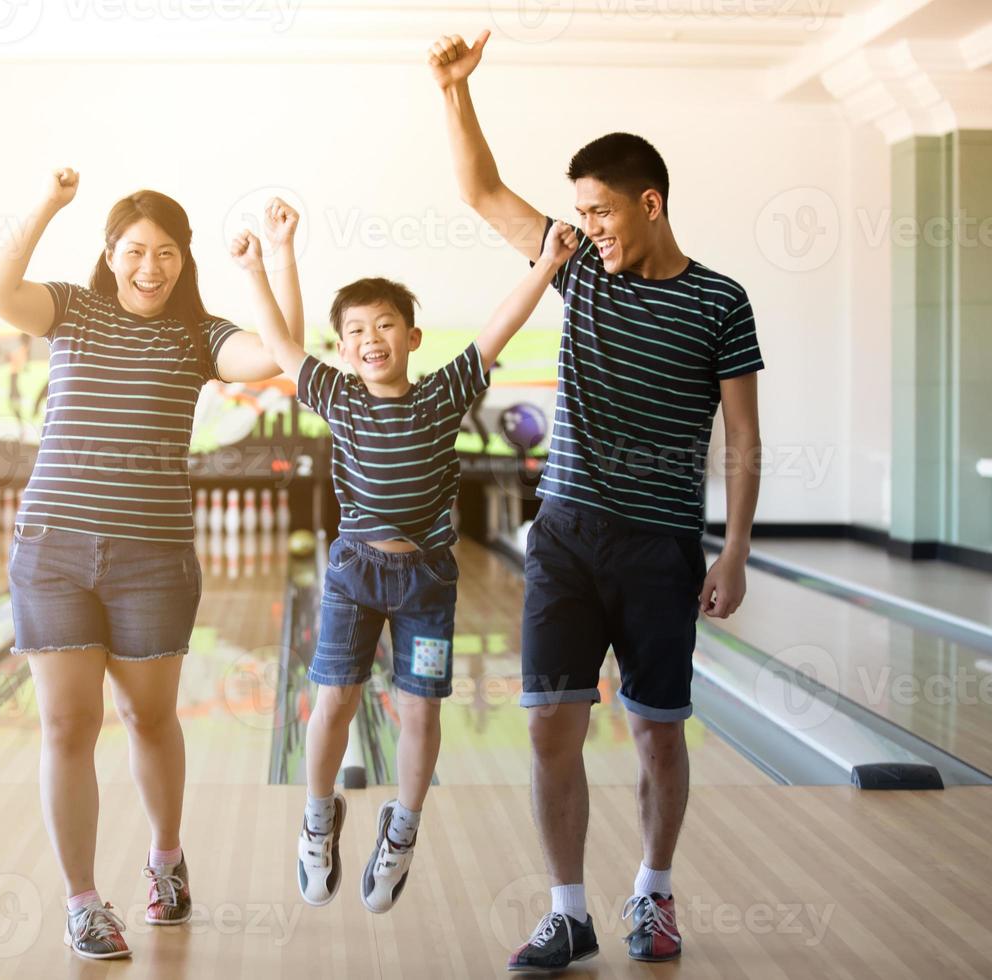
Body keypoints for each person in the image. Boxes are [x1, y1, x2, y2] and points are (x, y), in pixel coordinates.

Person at [429, 31, 765, 970]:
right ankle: (567, 910)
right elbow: (481, 192)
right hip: (567, 535)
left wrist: (734, 550)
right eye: (578, 212)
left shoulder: (720, 303)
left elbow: (740, 438)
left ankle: (653, 896)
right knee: (549, 722)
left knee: (657, 732)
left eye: (601, 211)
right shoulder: (575, 266)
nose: (586, 226)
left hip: (661, 545)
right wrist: (456, 92)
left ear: (649, 205)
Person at [0, 169, 302, 960]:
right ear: (110, 253)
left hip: (152, 558)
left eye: (165, 253)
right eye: (133, 251)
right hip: (52, 551)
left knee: (148, 718)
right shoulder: (71, 310)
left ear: (185, 260)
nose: (149, 266)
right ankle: (83, 900)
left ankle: (165, 858)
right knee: (67, 724)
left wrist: (280, 256)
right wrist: (48, 201)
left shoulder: (201, 333)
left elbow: (278, 357)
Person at [228, 204, 580, 915]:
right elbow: (279, 342)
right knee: (334, 700)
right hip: (354, 574)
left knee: (420, 713)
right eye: (355, 330)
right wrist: (266, 261)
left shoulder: (445, 393)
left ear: (413, 337)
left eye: (384, 324)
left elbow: (498, 327)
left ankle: (403, 828)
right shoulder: (337, 393)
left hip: (425, 581)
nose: (370, 338)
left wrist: (546, 265)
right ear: (343, 346)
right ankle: (319, 815)